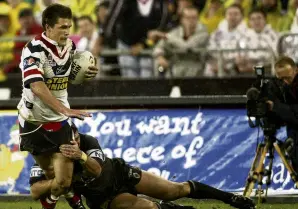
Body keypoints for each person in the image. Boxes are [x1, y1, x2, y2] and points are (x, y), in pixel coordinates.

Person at [30, 124, 256, 209]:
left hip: (119, 173)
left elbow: (96, 169)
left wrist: (79, 155)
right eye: (69, 141)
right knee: (146, 208)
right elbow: (34, 191)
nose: (74, 143)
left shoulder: (87, 142)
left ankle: (230, 198)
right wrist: (61, 182)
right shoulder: (51, 157)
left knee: (176, 190)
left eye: (76, 138)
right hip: (105, 198)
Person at [17, 4, 98, 209]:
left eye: (69, 26)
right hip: (33, 122)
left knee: (63, 181)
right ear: (48, 26)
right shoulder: (33, 49)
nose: (67, 31)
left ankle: (55, 196)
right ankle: (65, 196)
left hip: (59, 123)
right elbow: (36, 85)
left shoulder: (69, 47)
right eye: (62, 27)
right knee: (51, 174)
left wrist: (86, 74)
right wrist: (65, 109)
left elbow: (65, 76)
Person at [267, 56, 298, 173]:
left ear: (296, 70)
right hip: (293, 135)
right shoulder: (279, 87)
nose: (285, 81)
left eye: (288, 77)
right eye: (281, 78)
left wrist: (276, 107)